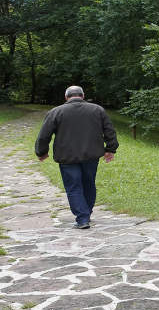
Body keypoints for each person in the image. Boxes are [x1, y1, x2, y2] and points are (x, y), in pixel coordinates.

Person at [35, 85, 118, 229]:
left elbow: (44, 135)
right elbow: (109, 131)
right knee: (89, 184)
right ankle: (86, 214)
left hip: (67, 157)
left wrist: (41, 152)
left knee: (74, 187)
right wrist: (110, 149)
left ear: (66, 97)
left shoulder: (56, 112)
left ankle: (82, 218)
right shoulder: (97, 110)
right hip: (91, 155)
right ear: (83, 95)